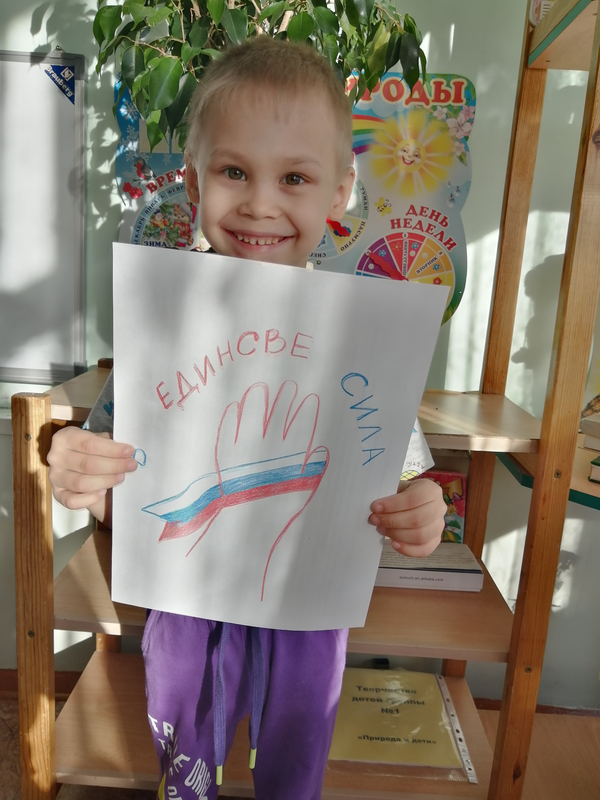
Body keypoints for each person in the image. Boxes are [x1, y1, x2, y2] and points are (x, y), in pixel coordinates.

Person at [47, 37, 447, 800]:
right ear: (194, 181)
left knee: (295, 761)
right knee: (185, 762)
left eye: (294, 177)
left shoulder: (364, 336)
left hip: (309, 606)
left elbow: (401, 476)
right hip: (186, 602)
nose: (261, 203)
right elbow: (113, 478)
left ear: (339, 193)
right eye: (234, 171)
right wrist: (80, 469)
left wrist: (422, 508)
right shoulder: (161, 328)